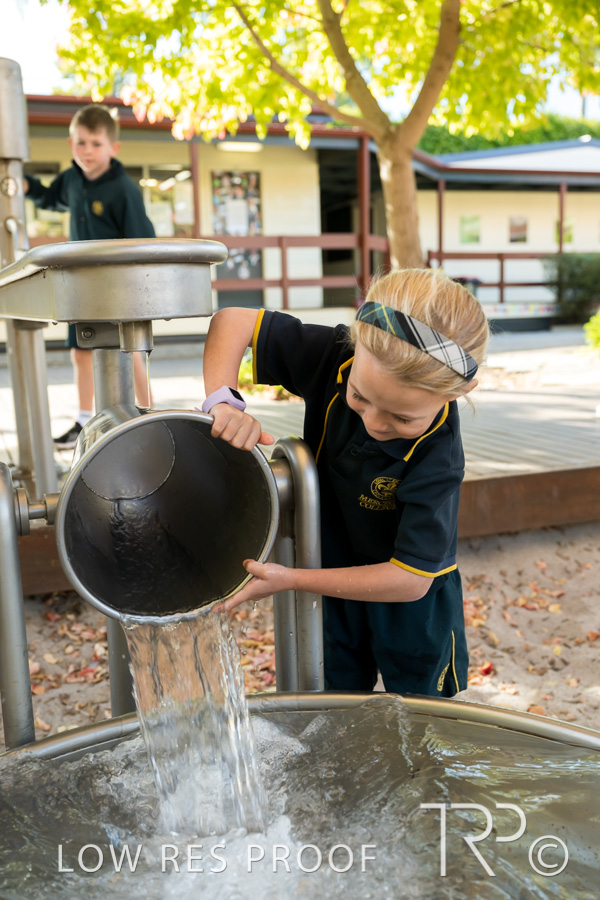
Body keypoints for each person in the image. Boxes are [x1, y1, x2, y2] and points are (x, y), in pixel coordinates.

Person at [201, 268, 490, 697]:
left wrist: (292, 578)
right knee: (334, 694)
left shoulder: (439, 453)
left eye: (402, 418)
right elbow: (233, 321)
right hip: (331, 570)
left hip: (409, 599)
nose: (374, 423)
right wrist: (224, 403)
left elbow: (411, 579)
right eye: (359, 397)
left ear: (457, 392)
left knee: (421, 710)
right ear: (355, 345)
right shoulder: (333, 354)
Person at [24, 103, 155, 449]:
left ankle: (150, 415)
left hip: (119, 287)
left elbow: (142, 239)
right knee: (81, 351)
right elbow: (48, 198)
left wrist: (141, 288)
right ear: (71, 144)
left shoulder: (124, 189)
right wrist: (25, 185)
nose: (87, 151)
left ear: (113, 148)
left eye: (96, 144)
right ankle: (83, 419)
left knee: (130, 351)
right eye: (81, 143)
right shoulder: (72, 180)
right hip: (80, 285)